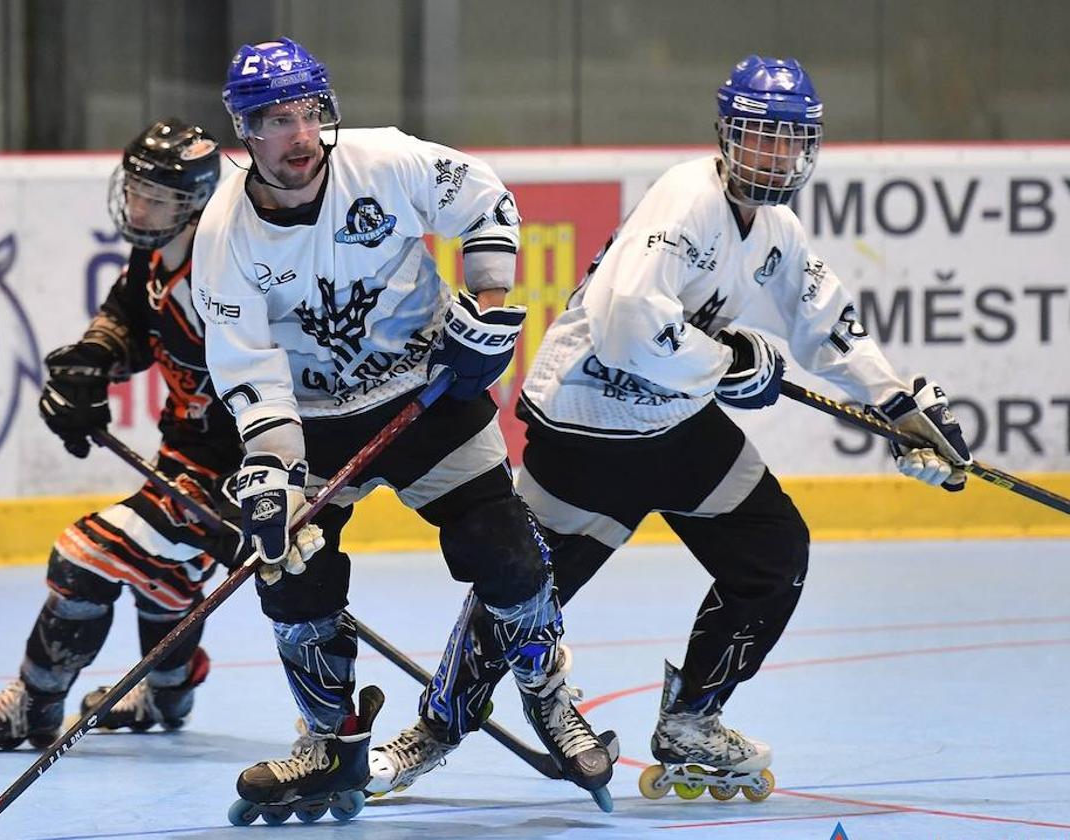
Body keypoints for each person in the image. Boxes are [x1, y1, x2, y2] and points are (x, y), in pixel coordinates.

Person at [369, 54, 973, 802]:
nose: (775, 155)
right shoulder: (684, 201)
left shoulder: (775, 228)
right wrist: (728, 364)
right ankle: (436, 727)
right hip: (588, 430)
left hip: (677, 426)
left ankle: (692, 718)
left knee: (773, 552)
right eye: (760, 137)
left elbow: (828, 326)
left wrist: (901, 406)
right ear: (727, 137)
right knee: (521, 594)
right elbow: (627, 328)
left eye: (790, 140)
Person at [191, 38, 614, 823]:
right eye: (276, 120)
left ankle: (551, 698)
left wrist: (486, 308)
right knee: (293, 569)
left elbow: (484, 200)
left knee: (506, 548)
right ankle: (330, 738)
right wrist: (277, 475)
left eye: (310, 112)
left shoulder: (384, 162)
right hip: (312, 425)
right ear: (245, 135)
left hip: (428, 391)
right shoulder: (223, 239)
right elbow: (249, 370)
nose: (300, 135)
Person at [0, 118, 238, 751]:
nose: (138, 207)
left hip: (239, 473)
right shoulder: (157, 252)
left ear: (197, 207)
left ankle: (33, 705)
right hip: (186, 455)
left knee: (85, 554)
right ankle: (168, 691)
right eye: (135, 191)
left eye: (158, 199)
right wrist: (92, 363)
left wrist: (250, 493)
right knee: (169, 576)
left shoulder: (228, 280)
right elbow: (129, 314)